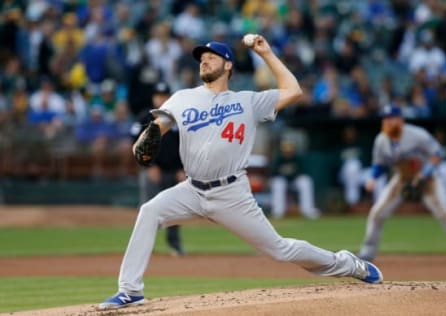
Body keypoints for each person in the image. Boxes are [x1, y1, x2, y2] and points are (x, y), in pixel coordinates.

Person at [99, 36, 383, 310]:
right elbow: (156, 127)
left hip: (231, 193)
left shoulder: (248, 101)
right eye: (202, 58)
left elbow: (293, 91)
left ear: (228, 65)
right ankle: (130, 291)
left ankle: (347, 263)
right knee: (149, 211)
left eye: (212, 58)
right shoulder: (182, 98)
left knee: (279, 250)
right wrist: (145, 140)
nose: (204, 61)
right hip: (192, 190)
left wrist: (266, 54)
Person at [358, 104, 446, 264]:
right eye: (386, 119)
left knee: (444, 214)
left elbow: (437, 154)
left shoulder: (416, 134)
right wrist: (372, 178)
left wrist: (424, 174)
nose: (388, 122)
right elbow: (379, 164)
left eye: (392, 118)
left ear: (400, 120)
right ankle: (367, 252)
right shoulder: (381, 140)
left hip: (428, 180)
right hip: (402, 179)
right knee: (377, 213)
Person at [130, 82, 185, 256]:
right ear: (153, 97)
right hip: (152, 171)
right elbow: (136, 142)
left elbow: (187, 144)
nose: (161, 98)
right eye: (158, 95)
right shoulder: (144, 118)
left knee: (174, 211)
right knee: (147, 209)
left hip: (174, 171)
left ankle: (175, 245)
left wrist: (182, 168)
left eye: (164, 95)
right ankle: (145, 248)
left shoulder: (178, 117)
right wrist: (149, 165)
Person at [269, 138, 320, 219]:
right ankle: (278, 211)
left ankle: (307, 210)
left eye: (289, 151)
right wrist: (285, 174)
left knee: (305, 181)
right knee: (278, 183)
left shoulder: (298, 158)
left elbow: (303, 171)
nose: (288, 153)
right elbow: (273, 173)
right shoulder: (279, 159)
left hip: (295, 181)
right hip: (283, 181)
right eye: (286, 151)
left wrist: (291, 174)